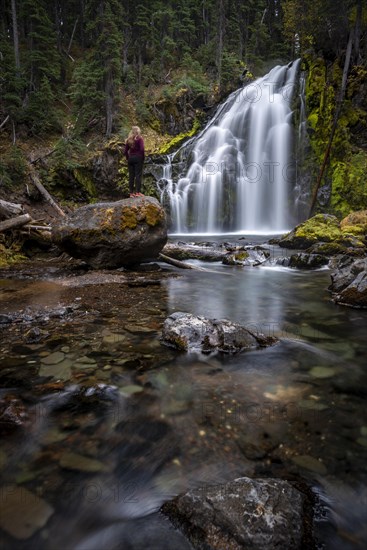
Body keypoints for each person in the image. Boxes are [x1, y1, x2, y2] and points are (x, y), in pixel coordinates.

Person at [124, 126, 145, 197]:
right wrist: (142, 158)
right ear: (138, 131)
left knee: (131, 176)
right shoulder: (140, 139)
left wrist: (128, 158)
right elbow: (142, 149)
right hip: (138, 158)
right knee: (138, 175)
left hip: (130, 159)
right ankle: (137, 192)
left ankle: (131, 193)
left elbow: (125, 151)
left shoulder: (128, 140)